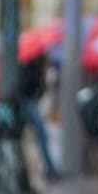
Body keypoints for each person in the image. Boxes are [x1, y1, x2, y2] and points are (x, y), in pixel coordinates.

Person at [19, 52, 60, 181]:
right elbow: (28, 86)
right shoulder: (31, 66)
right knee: (41, 136)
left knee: (40, 136)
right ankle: (49, 169)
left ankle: (48, 168)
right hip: (27, 103)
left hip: (28, 103)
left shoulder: (35, 66)